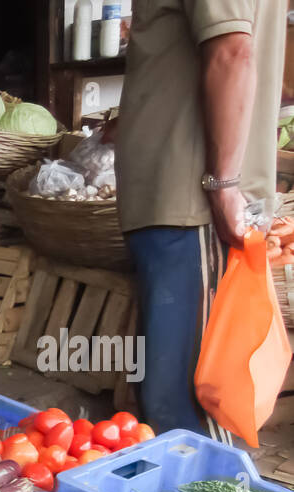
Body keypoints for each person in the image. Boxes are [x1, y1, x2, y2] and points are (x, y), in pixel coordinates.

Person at [116, 0, 285, 436]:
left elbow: (232, 51)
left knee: (178, 405)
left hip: (189, 204)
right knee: (168, 395)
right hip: (182, 203)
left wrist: (224, 185)